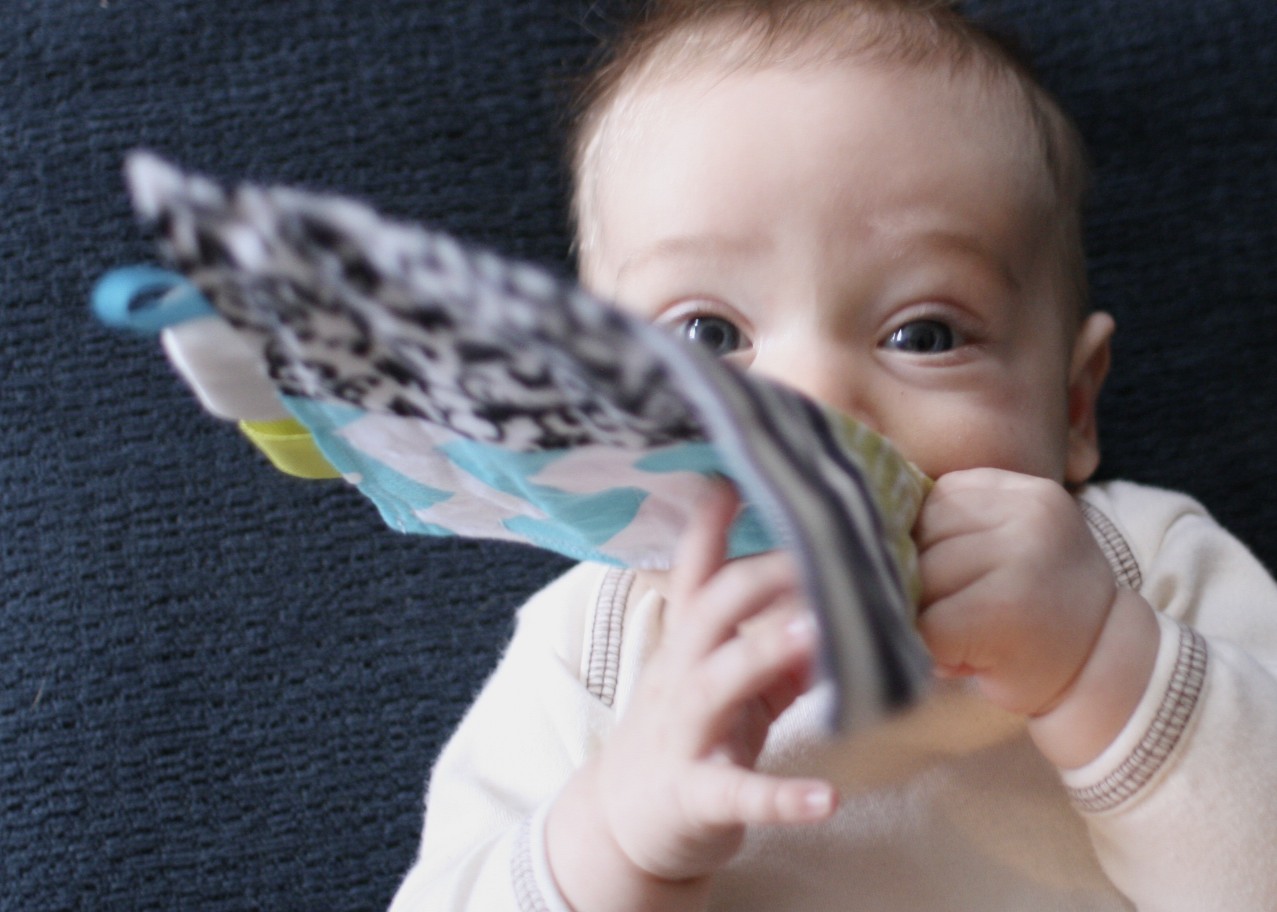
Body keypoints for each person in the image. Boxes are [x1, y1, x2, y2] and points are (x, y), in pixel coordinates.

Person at [390, 2, 1277, 909]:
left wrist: (1104, 668)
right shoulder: (599, 644)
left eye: (925, 334)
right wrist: (610, 834)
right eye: (706, 335)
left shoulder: (1137, 568)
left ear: (1073, 407)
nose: (808, 405)